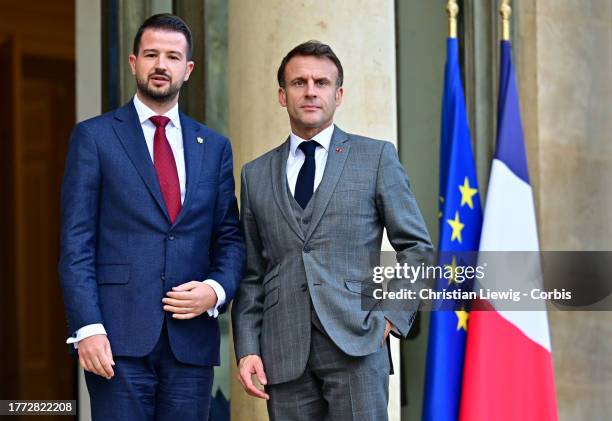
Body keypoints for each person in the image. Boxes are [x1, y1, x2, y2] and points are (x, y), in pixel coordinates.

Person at [232, 40, 433, 420]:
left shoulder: (375, 157)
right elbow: (252, 274)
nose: (310, 91)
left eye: (321, 83)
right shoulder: (255, 175)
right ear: (282, 95)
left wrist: (389, 317)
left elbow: (417, 249)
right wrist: (248, 347)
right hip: (283, 352)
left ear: (338, 95)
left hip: (358, 343)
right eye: (299, 82)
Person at [59, 13, 244, 421]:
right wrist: (87, 327)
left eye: (173, 56)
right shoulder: (95, 137)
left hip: (190, 341)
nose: (161, 64)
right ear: (133, 62)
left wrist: (215, 290)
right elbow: (77, 243)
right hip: (117, 342)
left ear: (188, 69)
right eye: (151, 54)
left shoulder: (213, 146)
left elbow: (229, 237)